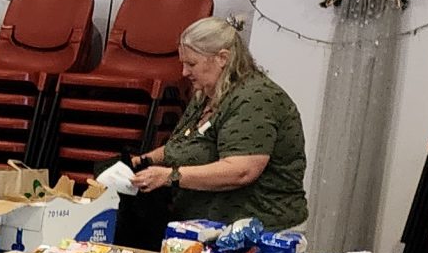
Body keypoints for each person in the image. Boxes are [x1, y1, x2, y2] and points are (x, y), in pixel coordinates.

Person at [123, 16, 308, 230]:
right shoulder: (206, 93)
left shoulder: (255, 98)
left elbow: (241, 170)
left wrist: (170, 176)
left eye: (191, 64)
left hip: (258, 229)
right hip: (206, 224)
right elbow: (184, 144)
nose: (184, 72)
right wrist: (142, 161)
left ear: (222, 58)